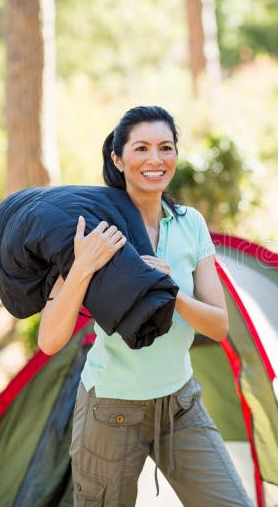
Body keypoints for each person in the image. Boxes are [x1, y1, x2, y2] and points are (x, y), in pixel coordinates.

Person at [38, 106, 253, 506]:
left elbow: (218, 326)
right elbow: (49, 340)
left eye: (165, 147)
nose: (155, 160)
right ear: (118, 159)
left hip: (180, 404)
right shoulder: (95, 229)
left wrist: (171, 291)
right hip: (111, 411)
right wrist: (83, 264)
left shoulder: (190, 224)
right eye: (141, 148)